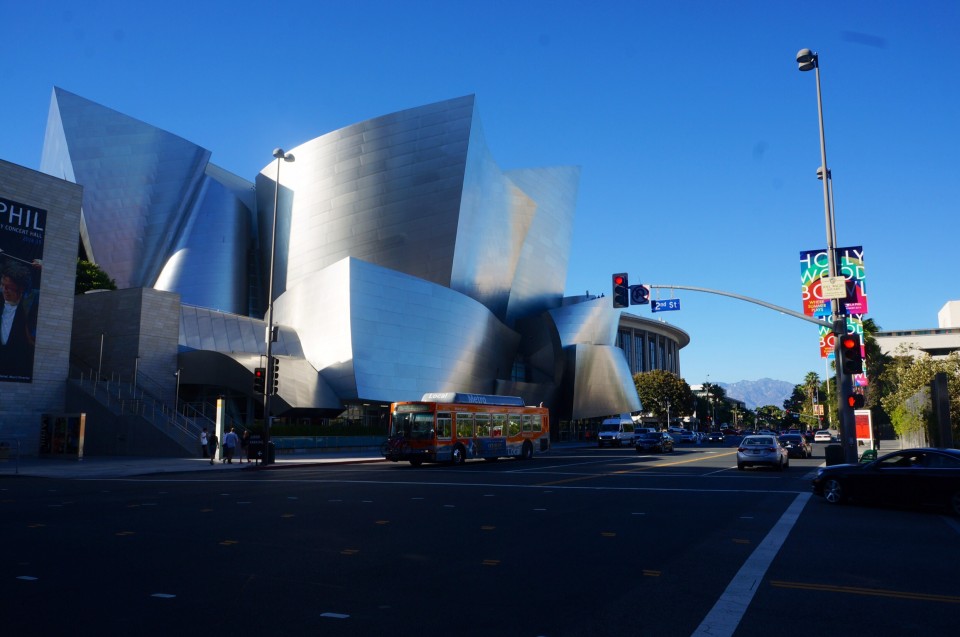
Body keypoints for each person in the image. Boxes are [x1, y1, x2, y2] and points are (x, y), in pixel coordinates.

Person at [0, 262, 38, 381]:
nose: (4, 290)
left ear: (21, 289)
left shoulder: (31, 305)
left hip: (19, 368)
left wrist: (46, 266)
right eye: (2, 285)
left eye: (9, 287)